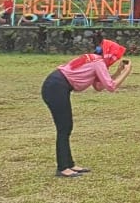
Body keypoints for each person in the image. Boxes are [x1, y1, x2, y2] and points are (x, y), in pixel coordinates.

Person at [41, 39, 133, 177]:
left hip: (55, 85)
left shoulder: (94, 59)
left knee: (66, 127)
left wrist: (118, 72)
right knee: (64, 128)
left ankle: (69, 164)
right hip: (56, 87)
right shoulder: (98, 62)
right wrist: (127, 72)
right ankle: (62, 168)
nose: (114, 60)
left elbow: (99, 86)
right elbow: (111, 87)